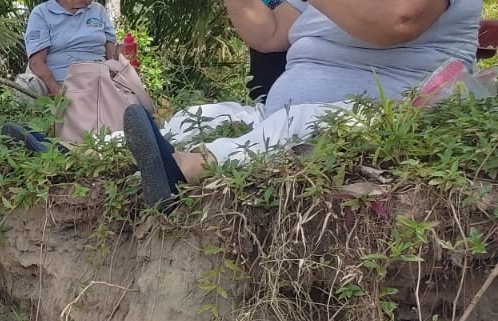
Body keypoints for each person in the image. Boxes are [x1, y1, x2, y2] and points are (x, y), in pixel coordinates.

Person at [124, 0, 478, 207]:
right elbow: (270, 33)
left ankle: (186, 170)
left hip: (396, 107)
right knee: (207, 114)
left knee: (298, 121)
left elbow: (398, 19)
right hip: (282, 109)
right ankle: (117, 148)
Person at [23, 0, 118, 97]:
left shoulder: (98, 10)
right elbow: (36, 62)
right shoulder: (41, 13)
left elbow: (111, 53)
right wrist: (57, 91)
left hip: (100, 81)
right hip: (63, 84)